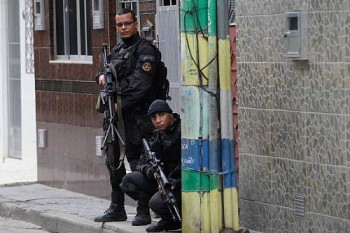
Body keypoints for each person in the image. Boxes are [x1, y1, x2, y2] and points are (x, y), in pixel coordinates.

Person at [94, 8, 160, 224]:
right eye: (119, 24)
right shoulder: (116, 50)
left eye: (127, 23)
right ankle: (117, 207)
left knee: (139, 162)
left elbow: (141, 84)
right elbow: (103, 73)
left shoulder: (146, 50)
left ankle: (143, 210)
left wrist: (117, 102)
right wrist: (101, 77)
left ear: (135, 23)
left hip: (138, 118)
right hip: (116, 118)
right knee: (113, 161)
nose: (123, 27)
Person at [120, 99, 181, 232]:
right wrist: (151, 171)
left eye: (161, 115)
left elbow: (186, 164)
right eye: (154, 117)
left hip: (179, 183)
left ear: (171, 115)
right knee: (128, 181)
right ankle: (167, 218)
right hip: (161, 180)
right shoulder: (156, 136)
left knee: (156, 203)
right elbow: (141, 162)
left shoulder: (181, 132)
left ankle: (173, 220)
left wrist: (173, 181)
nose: (158, 120)